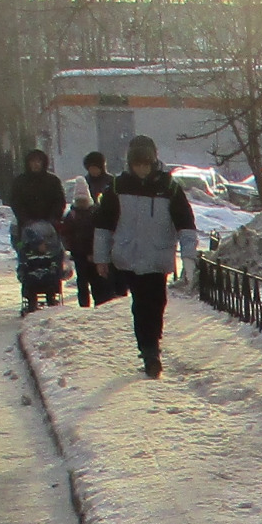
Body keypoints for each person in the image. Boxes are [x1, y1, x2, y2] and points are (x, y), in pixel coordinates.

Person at [93, 134, 198, 378]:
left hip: (158, 255)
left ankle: (152, 343)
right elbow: (104, 225)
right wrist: (101, 257)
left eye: (146, 164)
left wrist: (189, 257)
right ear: (131, 164)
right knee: (141, 303)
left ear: (153, 162)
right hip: (129, 255)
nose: (142, 169)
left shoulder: (168, 188)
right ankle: (149, 350)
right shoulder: (119, 187)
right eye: (137, 164)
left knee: (157, 302)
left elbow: (186, 223)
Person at [7, 149, 69, 314]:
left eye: (38, 161)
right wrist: (25, 219)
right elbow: (15, 202)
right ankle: (30, 296)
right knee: (29, 262)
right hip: (27, 228)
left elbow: (59, 201)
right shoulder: (20, 182)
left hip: (49, 228)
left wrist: (52, 219)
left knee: (51, 262)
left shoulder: (52, 181)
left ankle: (52, 292)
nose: (35, 164)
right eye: (32, 161)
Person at [63, 151, 111, 306]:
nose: (94, 171)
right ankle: (85, 305)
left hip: (96, 246)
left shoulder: (110, 182)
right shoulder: (73, 214)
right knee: (83, 281)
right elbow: (67, 232)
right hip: (79, 251)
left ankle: (103, 300)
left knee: (99, 279)